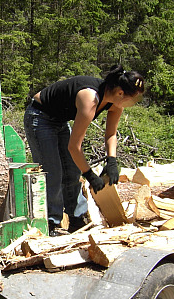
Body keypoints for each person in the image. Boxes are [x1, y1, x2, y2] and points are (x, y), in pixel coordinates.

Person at [23, 65, 145, 235]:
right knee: (53, 172)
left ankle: (76, 218)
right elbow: (74, 147)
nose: (132, 104)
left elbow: (111, 134)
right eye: (132, 99)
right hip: (40, 116)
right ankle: (51, 222)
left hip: (59, 120)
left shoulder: (115, 103)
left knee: (72, 171)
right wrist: (89, 175)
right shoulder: (90, 98)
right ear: (120, 93)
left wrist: (112, 161)